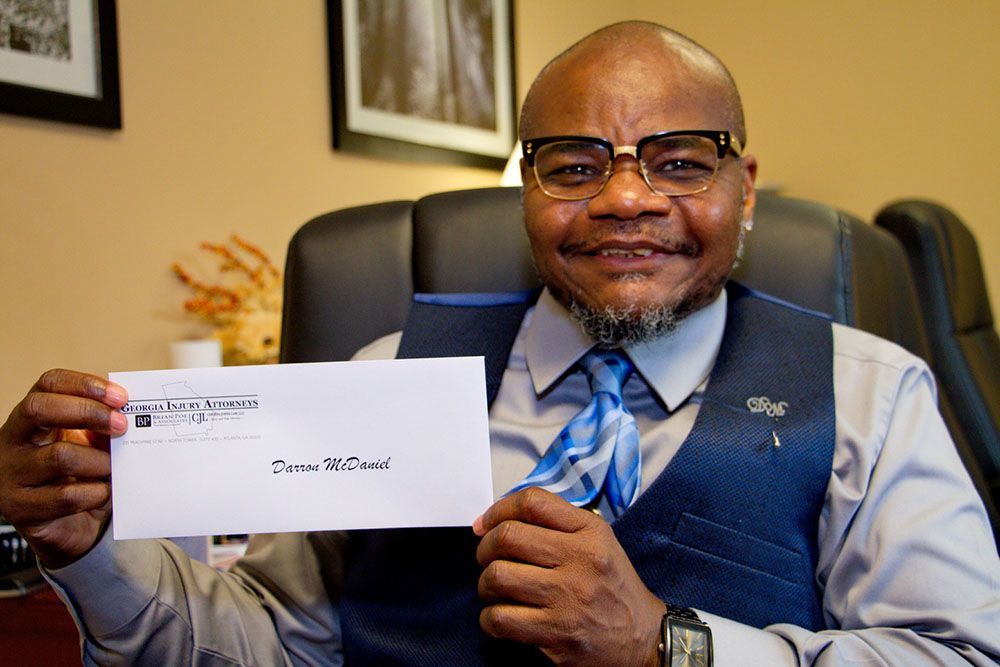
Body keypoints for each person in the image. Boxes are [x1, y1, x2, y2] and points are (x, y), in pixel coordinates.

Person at [1, 21, 997, 666]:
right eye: (573, 165)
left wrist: (668, 644)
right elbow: (267, 641)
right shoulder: (384, 377)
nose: (622, 199)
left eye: (679, 161)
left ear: (745, 189)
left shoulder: (869, 392)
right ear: (525, 192)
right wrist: (88, 553)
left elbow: (961, 657)